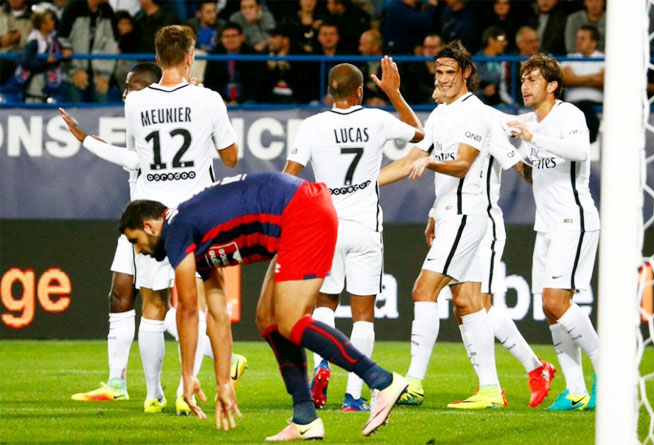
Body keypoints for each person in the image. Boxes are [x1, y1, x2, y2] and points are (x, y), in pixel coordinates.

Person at [119, 172, 409, 439]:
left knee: (291, 321)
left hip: (302, 211)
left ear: (149, 225)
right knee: (268, 320)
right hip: (297, 215)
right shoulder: (194, 235)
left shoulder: (176, 228)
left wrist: (187, 376)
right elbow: (218, 315)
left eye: (136, 240)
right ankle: (305, 418)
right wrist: (223, 383)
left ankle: (381, 380)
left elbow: (188, 310)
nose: (139, 250)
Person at [64, 62, 246, 415]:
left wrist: (87, 140)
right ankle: (145, 387)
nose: (127, 94)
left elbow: (134, 160)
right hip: (164, 219)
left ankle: (169, 389)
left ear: (148, 88)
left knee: (160, 306)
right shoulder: (195, 104)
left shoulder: (142, 110)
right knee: (150, 301)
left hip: (153, 222)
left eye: (132, 87)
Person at [283, 60, 423, 412]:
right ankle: (353, 396)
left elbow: (289, 175)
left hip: (325, 226)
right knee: (363, 315)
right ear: (360, 91)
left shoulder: (313, 125)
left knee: (324, 305)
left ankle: (321, 366)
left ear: (331, 91)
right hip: (364, 227)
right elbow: (420, 135)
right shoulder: (376, 119)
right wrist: (394, 93)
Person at [377, 40, 505, 409]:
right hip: (450, 215)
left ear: (466, 73)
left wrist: (431, 164)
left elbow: (463, 164)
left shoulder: (475, 112)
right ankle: (491, 390)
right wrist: (362, 184)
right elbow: (408, 161)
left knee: (423, 289)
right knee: (466, 302)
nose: (444, 79)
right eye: (439, 72)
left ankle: (413, 383)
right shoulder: (440, 114)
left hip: (468, 215)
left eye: (451, 72)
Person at [430, 85, 557, 408]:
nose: (438, 86)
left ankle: (495, 386)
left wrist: (550, 179)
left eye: (446, 76)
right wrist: (434, 214)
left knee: (475, 303)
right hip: (455, 220)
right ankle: (526, 371)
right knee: (464, 303)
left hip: (482, 224)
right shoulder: (447, 118)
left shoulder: (480, 117)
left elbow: (515, 162)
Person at [506, 54, 599, 411]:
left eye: (532, 80)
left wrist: (534, 137)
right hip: (545, 226)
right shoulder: (531, 122)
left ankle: (607, 369)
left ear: (552, 85)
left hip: (572, 221)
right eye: (523, 80)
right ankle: (576, 391)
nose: (525, 86)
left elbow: (580, 151)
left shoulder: (569, 115)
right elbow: (535, 173)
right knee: (552, 310)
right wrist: (511, 156)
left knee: (554, 302)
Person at [57, 0, 118, 103]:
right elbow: (62, 40)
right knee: (74, 111)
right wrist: (74, 71)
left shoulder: (107, 11)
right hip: (73, 73)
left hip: (99, 74)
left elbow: (111, 45)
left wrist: (105, 76)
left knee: (102, 107)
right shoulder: (72, 8)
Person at [204, 22, 266, 104]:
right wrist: (221, 100)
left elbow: (257, 85)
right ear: (221, 39)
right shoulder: (214, 55)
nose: (230, 40)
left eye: (234, 36)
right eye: (226, 37)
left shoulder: (252, 55)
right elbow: (209, 83)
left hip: (246, 100)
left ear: (241, 37)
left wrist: (238, 101)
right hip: (221, 100)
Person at [562, 25, 604, 143]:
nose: (578, 42)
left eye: (583, 39)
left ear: (593, 43)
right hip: (571, 103)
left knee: (584, 106)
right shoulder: (569, 58)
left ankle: (588, 138)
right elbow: (566, 80)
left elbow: (604, 81)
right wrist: (592, 78)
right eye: (578, 38)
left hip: (595, 103)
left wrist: (577, 78)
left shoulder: (604, 59)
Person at [14, 9, 66, 103]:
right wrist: (47, 61)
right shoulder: (33, 42)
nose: (53, 22)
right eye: (50, 20)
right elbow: (26, 61)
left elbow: (59, 55)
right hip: (33, 89)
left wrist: (65, 51)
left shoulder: (52, 40)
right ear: (43, 25)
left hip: (46, 88)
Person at [475, 26, 512, 106]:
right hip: (480, 102)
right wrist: (483, 92)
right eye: (502, 40)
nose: (505, 43)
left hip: (500, 102)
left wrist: (495, 87)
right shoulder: (476, 60)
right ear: (491, 40)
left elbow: (506, 84)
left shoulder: (506, 60)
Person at [402, 33, 443, 105]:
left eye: (433, 47)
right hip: (420, 105)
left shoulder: (448, 67)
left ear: (441, 48)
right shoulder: (414, 68)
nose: (430, 50)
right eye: (426, 47)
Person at [0, 0, 33, 85]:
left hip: (24, 60)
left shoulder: (34, 16)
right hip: (2, 58)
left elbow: (39, 40)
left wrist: (19, 39)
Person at [357, 29, 386, 106]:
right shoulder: (359, 66)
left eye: (363, 45)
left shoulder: (391, 66)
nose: (360, 48)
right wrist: (366, 101)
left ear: (375, 47)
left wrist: (387, 103)